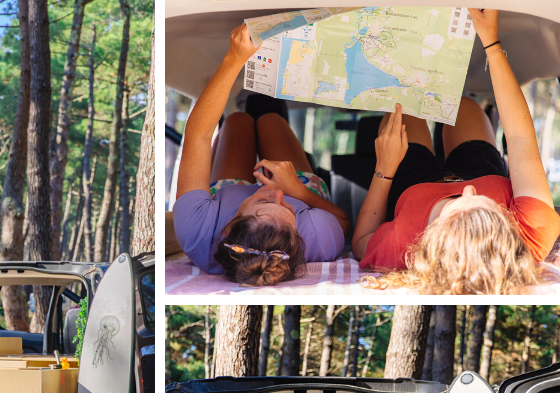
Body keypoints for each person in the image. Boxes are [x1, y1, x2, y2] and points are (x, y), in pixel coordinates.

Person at [352, 8, 560, 294]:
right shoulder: (531, 233)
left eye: (458, 207)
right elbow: (520, 137)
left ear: (435, 237)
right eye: (493, 212)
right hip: (484, 173)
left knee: (406, 105)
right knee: (463, 106)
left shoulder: (404, 245)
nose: (470, 191)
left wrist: (384, 169)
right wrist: (490, 42)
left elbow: (361, 239)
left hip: (414, 189)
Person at [173, 23, 350, 287]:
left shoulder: (197, 232)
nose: (277, 194)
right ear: (297, 236)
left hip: (227, 193)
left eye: (264, 205)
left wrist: (234, 59)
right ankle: (266, 106)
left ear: (230, 228)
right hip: (304, 193)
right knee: (270, 120)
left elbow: (198, 136)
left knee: (237, 121)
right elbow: (344, 221)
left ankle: (248, 106)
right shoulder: (316, 237)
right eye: (287, 210)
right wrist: (297, 193)